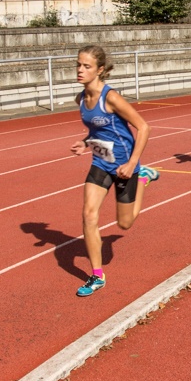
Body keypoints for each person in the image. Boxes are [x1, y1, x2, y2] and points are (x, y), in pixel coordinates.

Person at [70, 45, 159, 297]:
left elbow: (144, 127)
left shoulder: (111, 98)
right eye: (78, 65)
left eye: (86, 66)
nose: (80, 70)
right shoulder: (81, 99)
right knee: (89, 215)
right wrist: (85, 142)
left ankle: (143, 178)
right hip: (101, 162)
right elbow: (97, 130)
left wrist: (132, 164)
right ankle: (97, 275)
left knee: (125, 223)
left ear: (99, 70)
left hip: (124, 166)